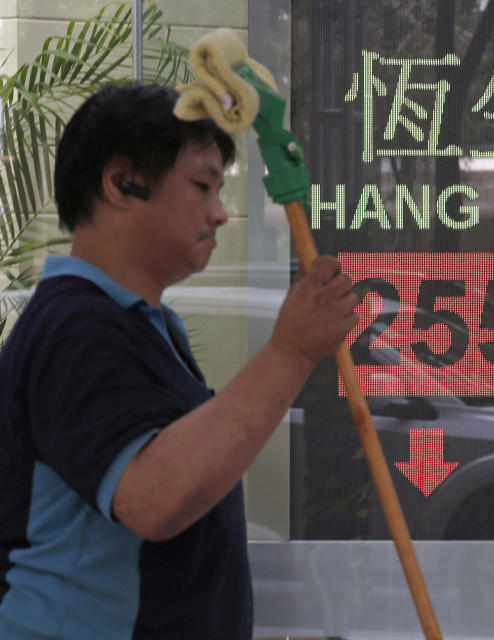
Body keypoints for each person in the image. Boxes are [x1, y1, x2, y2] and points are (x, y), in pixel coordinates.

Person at [0, 83, 359, 639]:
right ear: (123, 181)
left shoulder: (125, 323)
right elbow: (151, 498)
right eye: (202, 185)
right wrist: (291, 351)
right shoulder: (77, 328)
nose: (219, 214)